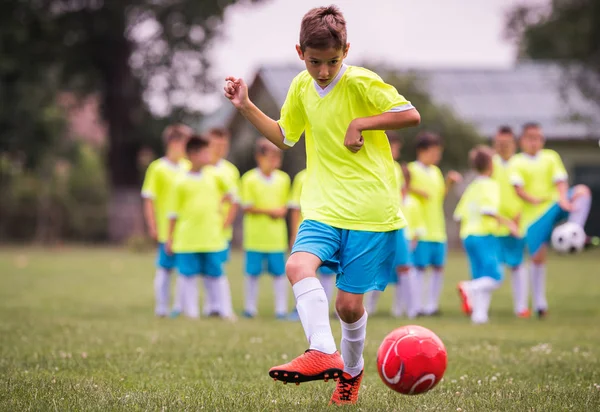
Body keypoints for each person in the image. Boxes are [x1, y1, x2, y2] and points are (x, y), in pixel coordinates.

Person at [224, 5, 420, 405]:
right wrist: (245, 106)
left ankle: (350, 373)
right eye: (315, 62)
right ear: (300, 53)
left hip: (370, 210)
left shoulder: (361, 82)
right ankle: (322, 351)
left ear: (346, 50)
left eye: (333, 61)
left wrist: (361, 123)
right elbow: (284, 135)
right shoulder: (300, 86)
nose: (325, 71)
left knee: (348, 306)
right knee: (297, 265)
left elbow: (410, 115)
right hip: (322, 206)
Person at [510, 123, 592, 318]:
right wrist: (534, 199)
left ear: (542, 140)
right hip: (533, 217)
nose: (533, 142)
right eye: (529, 138)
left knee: (582, 191)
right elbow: (518, 189)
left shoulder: (550, 157)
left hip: (555, 206)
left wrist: (563, 199)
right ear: (522, 141)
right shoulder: (517, 162)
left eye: (537, 138)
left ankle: (574, 230)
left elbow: (560, 181)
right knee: (538, 258)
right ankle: (540, 304)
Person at [166, 135, 236, 319]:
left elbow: (233, 195)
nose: (209, 155)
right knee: (187, 276)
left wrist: (223, 211)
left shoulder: (215, 176)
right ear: (192, 155)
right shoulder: (179, 181)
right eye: (205, 152)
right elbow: (172, 214)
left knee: (217, 275)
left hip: (211, 237)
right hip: (187, 239)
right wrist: (170, 238)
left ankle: (225, 311)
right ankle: (191, 313)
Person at [455, 146, 519, 324]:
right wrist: (509, 224)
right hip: (484, 235)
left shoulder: (472, 186)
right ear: (491, 165)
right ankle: (469, 287)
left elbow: (458, 214)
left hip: (468, 236)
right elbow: (487, 210)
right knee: (495, 278)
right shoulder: (490, 185)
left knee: (481, 276)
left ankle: (479, 316)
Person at [407, 132, 462, 316]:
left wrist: (449, 183)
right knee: (419, 268)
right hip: (421, 229)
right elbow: (401, 188)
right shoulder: (412, 170)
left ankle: (432, 306)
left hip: (438, 229)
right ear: (422, 151)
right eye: (434, 151)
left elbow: (439, 196)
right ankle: (417, 306)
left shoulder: (436, 172)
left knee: (438, 268)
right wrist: (416, 190)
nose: (437, 156)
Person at [141, 124, 192, 317]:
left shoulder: (188, 167)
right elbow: (149, 199)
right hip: (165, 229)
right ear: (173, 142)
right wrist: (152, 225)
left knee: (184, 271)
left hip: (186, 230)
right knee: (164, 269)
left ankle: (179, 308)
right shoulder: (157, 168)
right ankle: (161, 307)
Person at [365, 132, 416, 318]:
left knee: (404, 266)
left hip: (396, 224)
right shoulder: (372, 165)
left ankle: (410, 310)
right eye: (394, 147)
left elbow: (400, 194)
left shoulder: (396, 168)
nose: (397, 151)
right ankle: (368, 308)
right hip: (377, 224)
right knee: (373, 266)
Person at [240, 138, 291, 319]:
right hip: (255, 238)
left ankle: (281, 310)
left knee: (279, 275)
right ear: (259, 157)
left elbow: (286, 205)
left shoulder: (283, 179)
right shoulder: (249, 179)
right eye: (271, 157)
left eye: (277, 157)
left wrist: (281, 211)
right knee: (252, 274)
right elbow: (246, 206)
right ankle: (250, 308)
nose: (275, 161)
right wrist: (270, 211)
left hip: (276, 238)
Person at [490, 126, 528, 318]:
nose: (502, 147)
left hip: (515, 223)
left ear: (514, 144)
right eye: (499, 144)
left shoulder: (520, 164)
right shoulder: (490, 164)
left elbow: (526, 192)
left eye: (506, 143)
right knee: (490, 267)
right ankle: (478, 306)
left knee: (517, 264)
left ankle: (521, 307)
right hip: (493, 225)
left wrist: (520, 215)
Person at [203, 127, 240, 317]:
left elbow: (234, 200)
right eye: (216, 144)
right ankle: (211, 306)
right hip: (203, 228)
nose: (220, 148)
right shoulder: (201, 167)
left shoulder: (229, 170)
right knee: (205, 269)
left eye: (223, 145)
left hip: (220, 229)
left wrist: (227, 222)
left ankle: (222, 307)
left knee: (217, 267)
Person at [289, 168, 336, 303]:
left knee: (327, 272)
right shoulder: (302, 177)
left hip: (330, 230)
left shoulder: (334, 175)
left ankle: (324, 307)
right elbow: (295, 207)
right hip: (306, 231)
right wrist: (294, 234)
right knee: (300, 271)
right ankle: (300, 307)